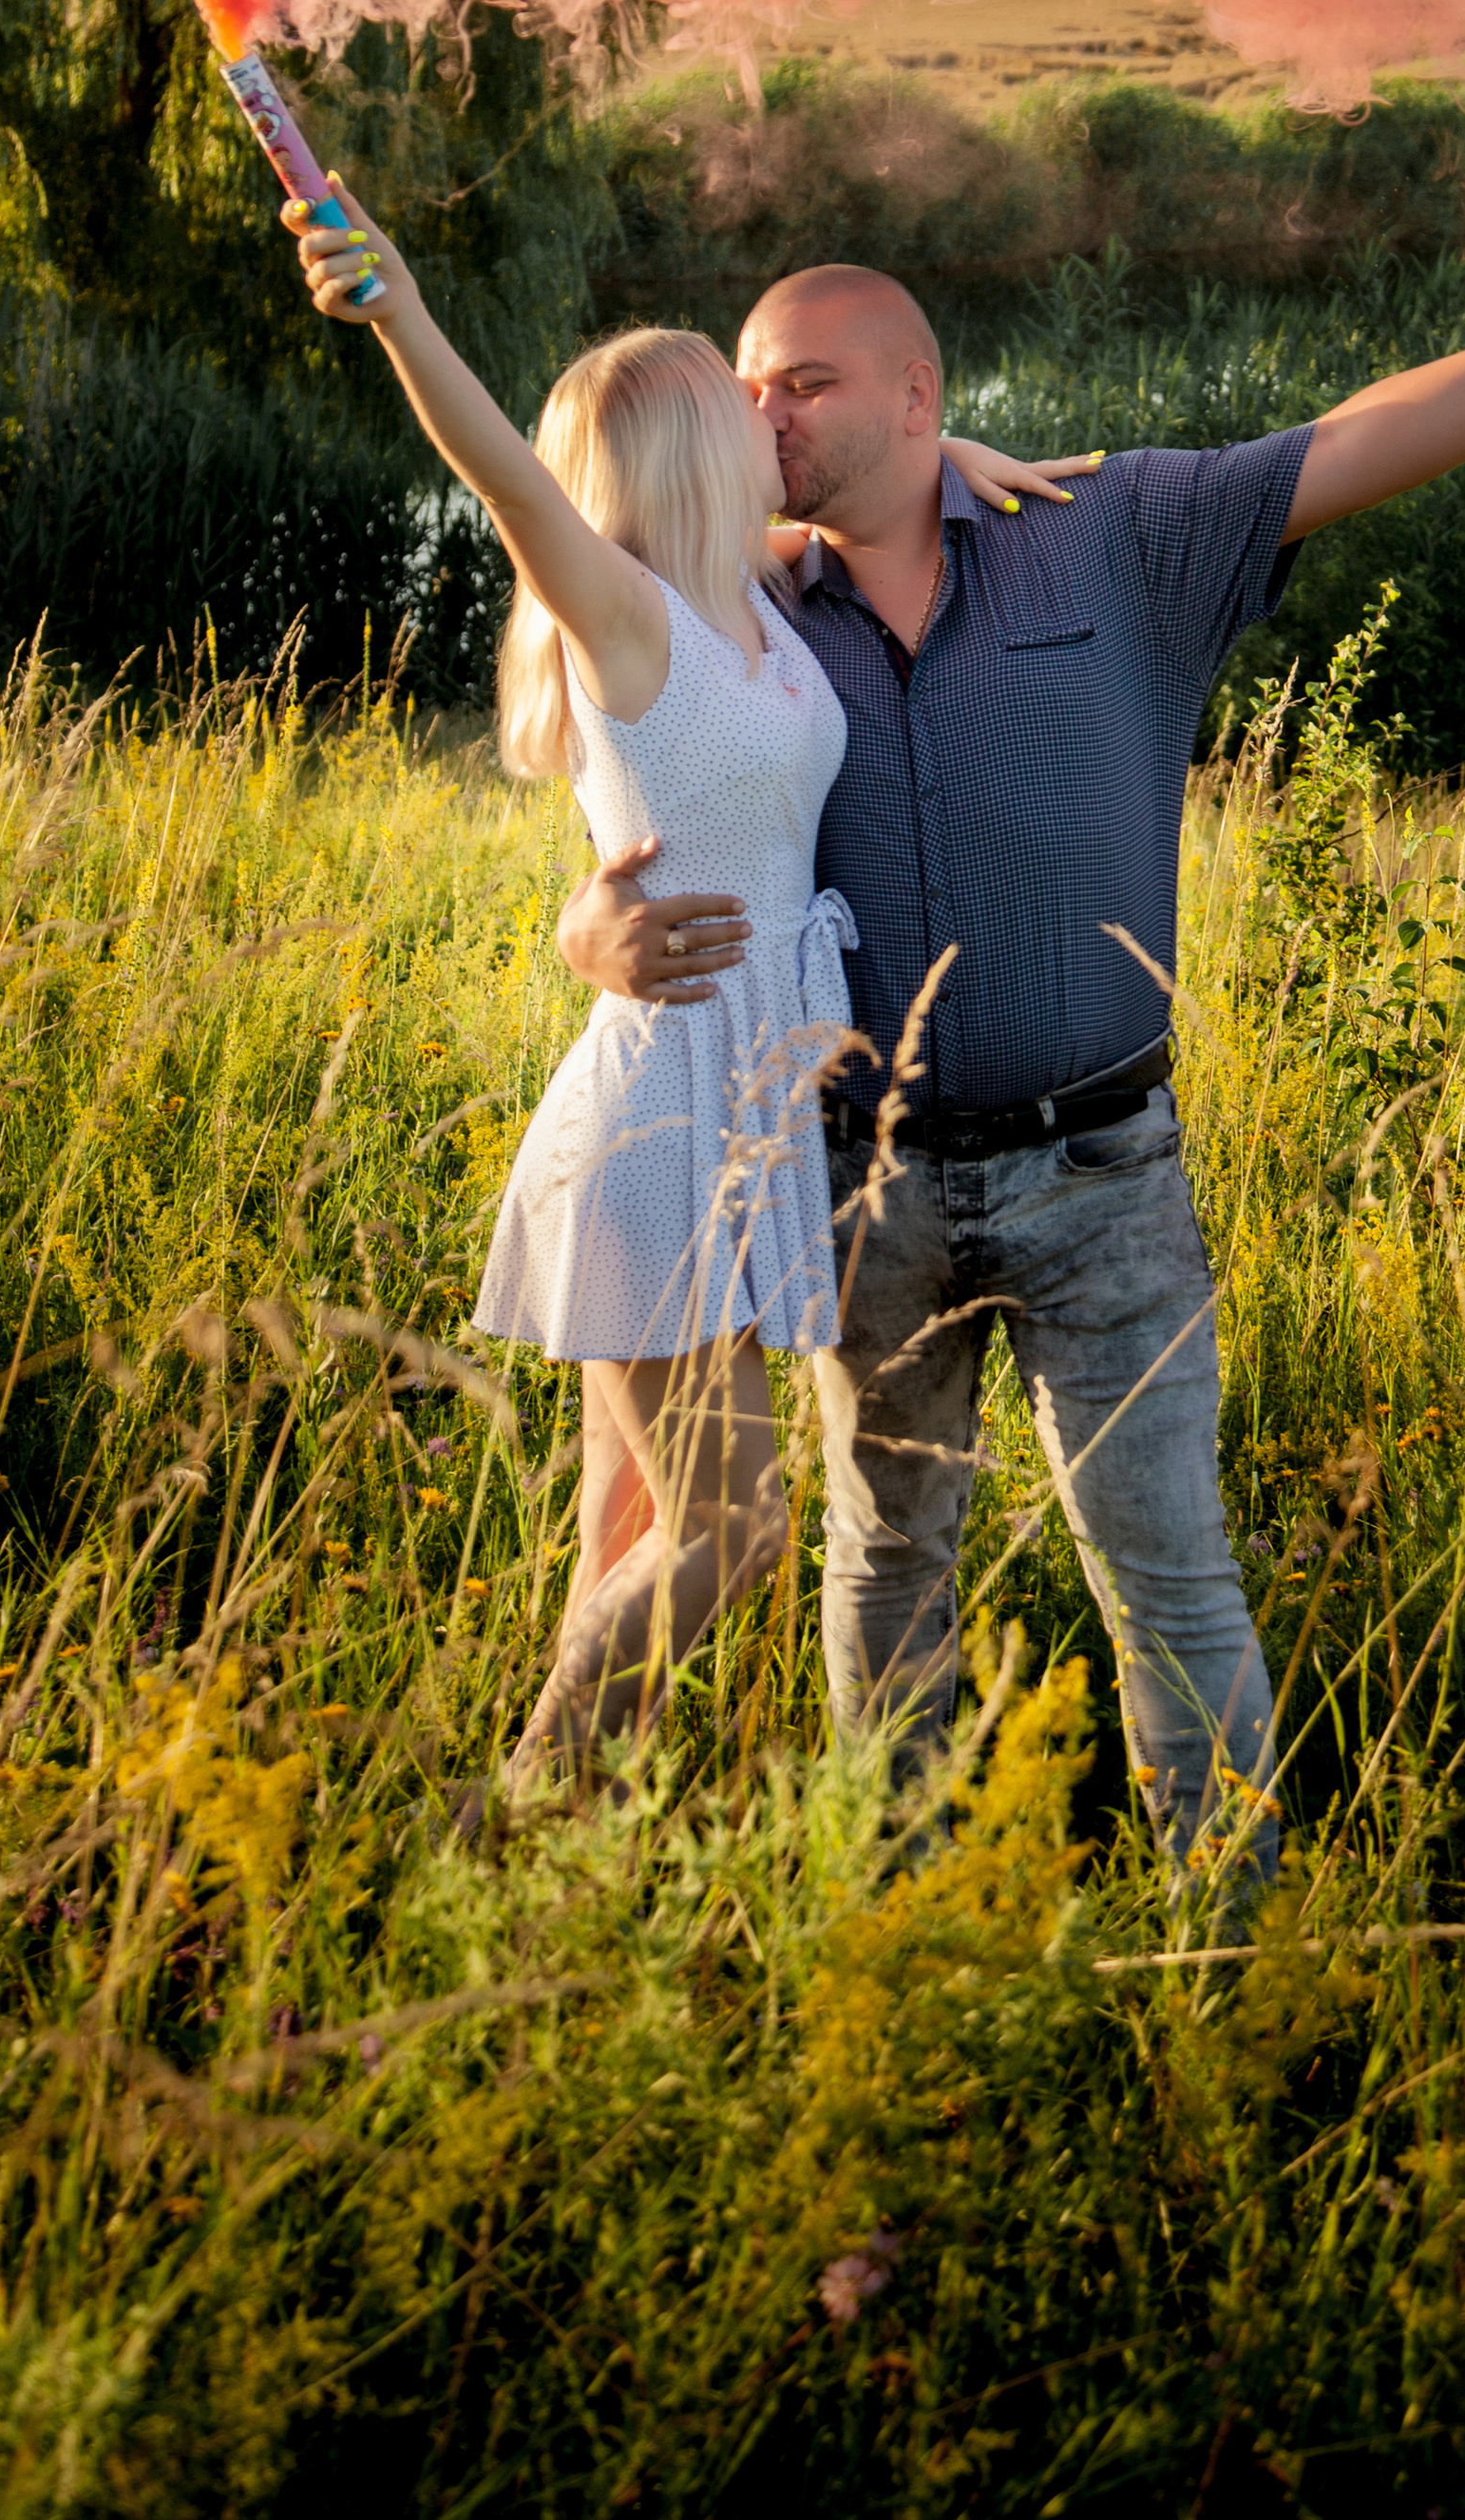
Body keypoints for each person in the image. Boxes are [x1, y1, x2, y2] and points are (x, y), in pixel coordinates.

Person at [556, 241, 1465, 1874]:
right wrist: (582, 935)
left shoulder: (1111, 535)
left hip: (1102, 1174)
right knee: (887, 1566)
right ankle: (899, 1913)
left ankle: (1226, 1927)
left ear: (918, 393)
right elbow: (632, 779)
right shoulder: (743, 607)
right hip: (861, 1180)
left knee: (1167, 1570)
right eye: (748, 385)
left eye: (803, 381)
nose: (765, 413)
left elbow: (1353, 438)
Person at [282, 181, 1073, 1801]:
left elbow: (847, 519)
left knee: (630, 1526)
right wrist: (402, 312)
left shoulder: (755, 601)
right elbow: (502, 474)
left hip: (747, 1113)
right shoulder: (630, 617)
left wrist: (952, 466)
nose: (764, 413)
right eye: (738, 398)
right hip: (660, 1120)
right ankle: (515, 1802)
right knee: (737, 1526)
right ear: (683, 452)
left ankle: (580, 1857)